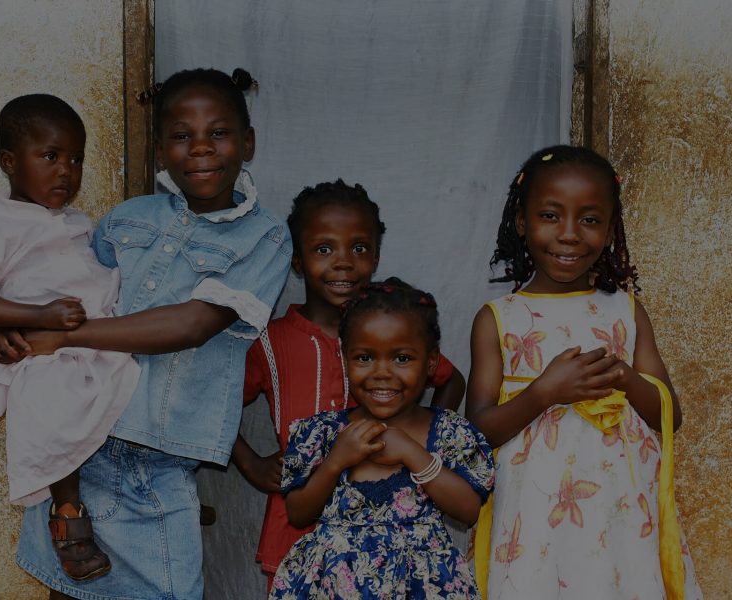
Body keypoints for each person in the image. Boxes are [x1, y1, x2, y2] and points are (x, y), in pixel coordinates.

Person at [0, 68, 292, 600]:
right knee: (71, 590)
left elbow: (194, 325)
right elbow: (58, 288)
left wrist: (64, 339)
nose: (201, 148)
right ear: (159, 153)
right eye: (181, 135)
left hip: (155, 456)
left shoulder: (264, 238)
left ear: (248, 143)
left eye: (219, 133)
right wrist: (6, 321)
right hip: (79, 444)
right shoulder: (126, 219)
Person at [466, 145, 702, 599]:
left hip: (619, 506)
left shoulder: (626, 311)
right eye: (550, 216)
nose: (570, 234)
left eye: (590, 220)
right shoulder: (499, 319)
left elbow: (669, 416)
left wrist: (624, 378)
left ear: (610, 230)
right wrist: (543, 394)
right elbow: (476, 429)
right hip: (535, 507)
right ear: (522, 221)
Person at [231, 180, 467, 592]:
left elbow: (451, 379)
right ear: (297, 259)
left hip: (385, 527)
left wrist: (424, 444)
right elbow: (214, 404)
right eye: (324, 249)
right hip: (299, 523)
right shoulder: (270, 342)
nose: (343, 263)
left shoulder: (388, 333)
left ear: (376, 257)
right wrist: (250, 462)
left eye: (359, 248)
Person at [0, 94, 140, 581]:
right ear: (9, 162)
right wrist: (39, 315)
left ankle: (140, 493)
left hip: (97, 338)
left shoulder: (75, 223)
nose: (66, 171)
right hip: (46, 353)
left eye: (76, 159)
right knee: (52, 411)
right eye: (51, 156)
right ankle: (68, 513)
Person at [268, 278, 494, 599]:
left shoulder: (448, 432)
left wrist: (412, 453)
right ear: (344, 358)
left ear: (431, 362)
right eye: (364, 357)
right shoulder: (323, 433)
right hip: (333, 588)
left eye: (402, 358)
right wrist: (335, 462)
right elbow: (298, 513)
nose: (382, 372)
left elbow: (468, 510)